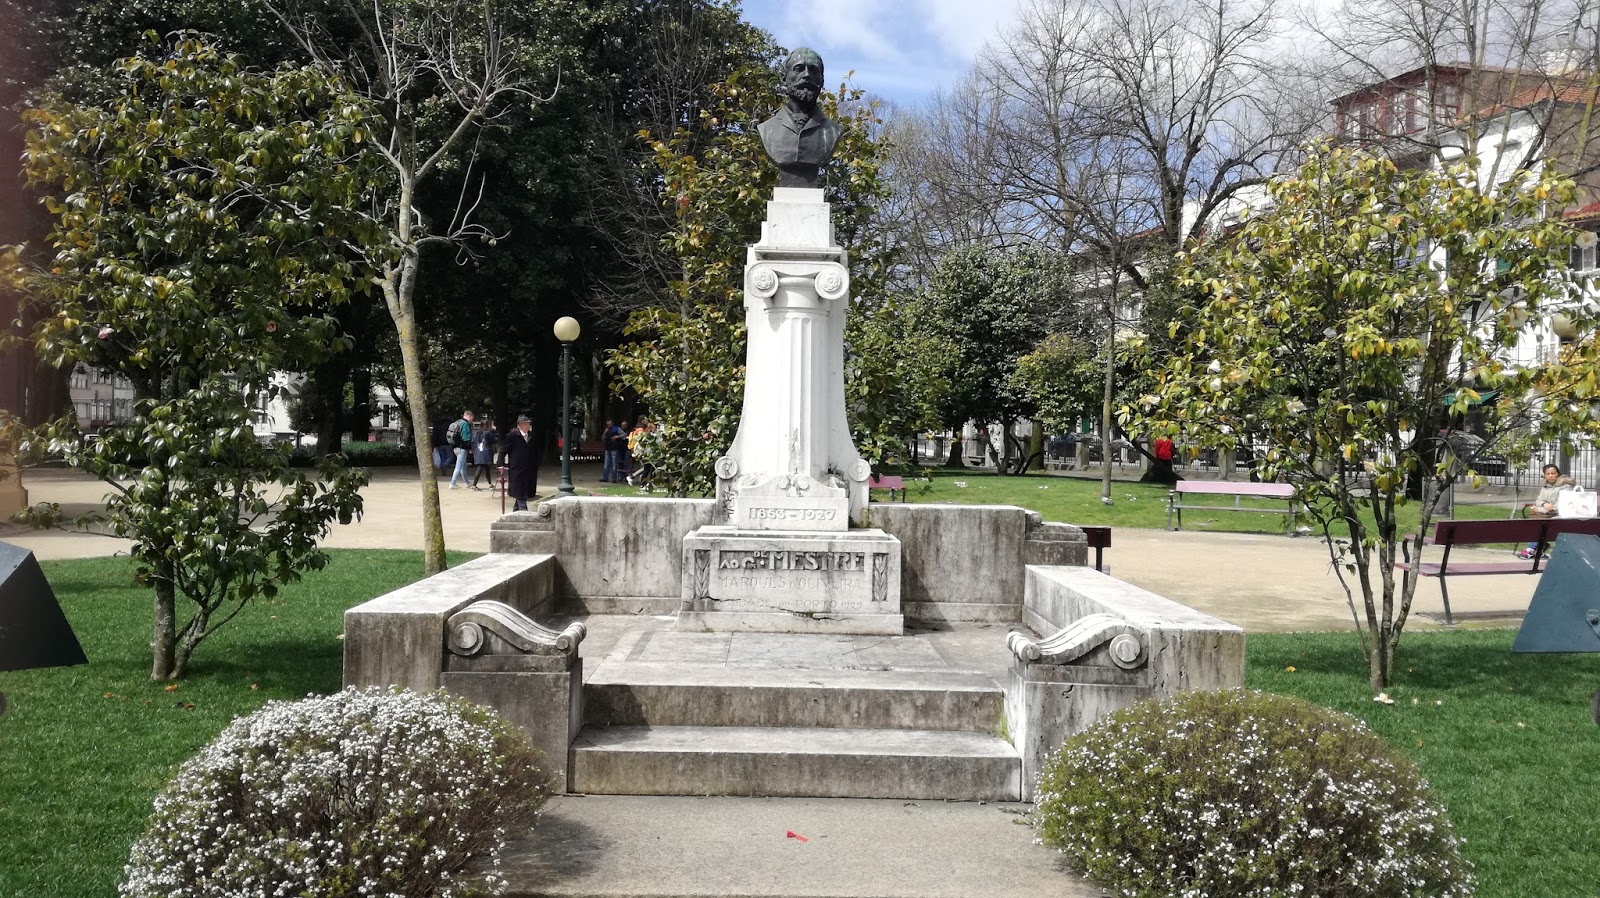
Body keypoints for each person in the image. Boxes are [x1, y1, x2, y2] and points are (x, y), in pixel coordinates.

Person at [756, 48, 842, 189]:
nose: (807, 75)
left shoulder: (833, 131)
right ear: (784, 79)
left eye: (813, 70)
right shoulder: (767, 129)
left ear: (822, 80)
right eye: (799, 69)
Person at [1519, 463, 1575, 558]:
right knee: (1536, 522)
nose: (1550, 476)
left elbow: (1560, 506)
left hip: (1561, 515)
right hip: (1548, 514)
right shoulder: (1545, 486)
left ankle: (1532, 549)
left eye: (1553, 473)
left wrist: (1540, 509)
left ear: (1558, 474)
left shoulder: (1566, 487)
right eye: (1548, 474)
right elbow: (1538, 500)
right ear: (1544, 475)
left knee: (1541, 524)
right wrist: (1544, 505)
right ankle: (1539, 548)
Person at [499, 414, 539, 511]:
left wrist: (537, 463)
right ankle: (524, 511)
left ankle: (516, 510)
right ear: (519, 425)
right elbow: (503, 451)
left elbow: (536, 451)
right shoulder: (512, 436)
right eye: (525, 424)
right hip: (517, 468)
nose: (527, 426)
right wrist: (501, 464)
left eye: (528, 424)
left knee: (525, 490)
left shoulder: (532, 436)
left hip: (529, 468)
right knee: (519, 490)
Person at [447, 410, 475, 490]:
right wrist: (470, 448)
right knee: (459, 466)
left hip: (455, 447)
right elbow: (466, 438)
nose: (472, 420)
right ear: (468, 416)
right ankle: (453, 483)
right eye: (472, 418)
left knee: (463, 466)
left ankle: (467, 482)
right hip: (462, 448)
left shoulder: (457, 422)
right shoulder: (465, 424)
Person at [471, 419, 499, 490]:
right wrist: (494, 432)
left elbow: (473, 442)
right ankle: (474, 485)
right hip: (486, 452)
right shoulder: (488, 433)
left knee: (486, 468)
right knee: (480, 468)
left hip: (478, 451)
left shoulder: (477, 432)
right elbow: (494, 440)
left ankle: (490, 484)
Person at [601, 419, 625, 483]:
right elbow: (603, 438)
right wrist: (605, 432)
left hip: (614, 448)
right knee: (606, 464)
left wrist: (617, 436)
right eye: (607, 424)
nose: (608, 425)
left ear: (612, 423)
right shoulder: (606, 429)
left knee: (614, 464)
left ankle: (614, 478)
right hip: (607, 448)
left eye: (609, 424)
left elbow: (624, 434)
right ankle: (605, 478)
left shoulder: (617, 428)